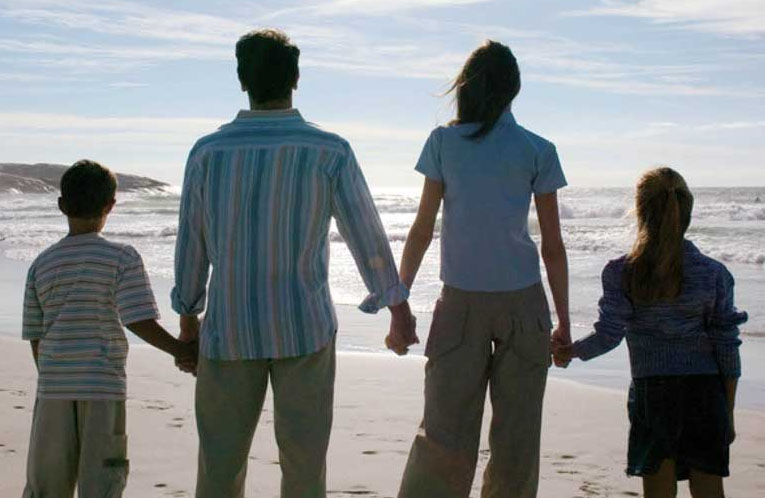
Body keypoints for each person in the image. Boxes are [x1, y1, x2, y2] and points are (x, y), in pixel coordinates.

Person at [171, 29, 417, 498]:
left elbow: (191, 244)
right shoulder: (328, 150)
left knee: (220, 466)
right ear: (296, 78)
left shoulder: (208, 152)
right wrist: (398, 309)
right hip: (304, 327)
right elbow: (365, 233)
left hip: (230, 328)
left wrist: (188, 318)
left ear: (242, 80)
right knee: (305, 468)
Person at [394, 40, 570, 498]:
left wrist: (400, 298)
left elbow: (422, 228)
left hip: (461, 303)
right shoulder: (537, 148)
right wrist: (564, 321)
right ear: (514, 89)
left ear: (466, 87)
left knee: (443, 438)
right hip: (524, 304)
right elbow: (552, 246)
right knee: (516, 444)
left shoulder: (444, 142)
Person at [554, 167, 746, 498]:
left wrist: (570, 351)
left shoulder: (622, 272)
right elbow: (727, 346)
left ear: (640, 212)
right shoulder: (714, 273)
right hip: (705, 391)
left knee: (658, 490)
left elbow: (609, 334)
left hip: (653, 392)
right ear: (687, 212)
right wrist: (727, 411)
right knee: (709, 489)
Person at [20, 160, 196, 498]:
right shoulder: (121, 257)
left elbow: (35, 334)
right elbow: (137, 318)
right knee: (101, 480)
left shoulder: (42, 262)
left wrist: (52, 374)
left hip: (53, 386)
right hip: (101, 384)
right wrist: (180, 350)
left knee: (46, 483)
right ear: (110, 206)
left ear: (61, 205)